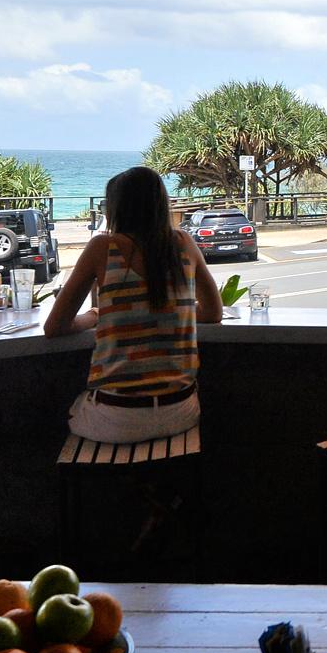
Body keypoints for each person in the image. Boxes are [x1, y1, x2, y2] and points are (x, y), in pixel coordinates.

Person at [46, 167, 221, 548]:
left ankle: (152, 501)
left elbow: (54, 327)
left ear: (116, 208)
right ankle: (162, 500)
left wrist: (96, 315)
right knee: (147, 444)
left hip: (116, 416)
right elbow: (214, 313)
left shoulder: (101, 248)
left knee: (69, 415)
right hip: (181, 411)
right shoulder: (184, 244)